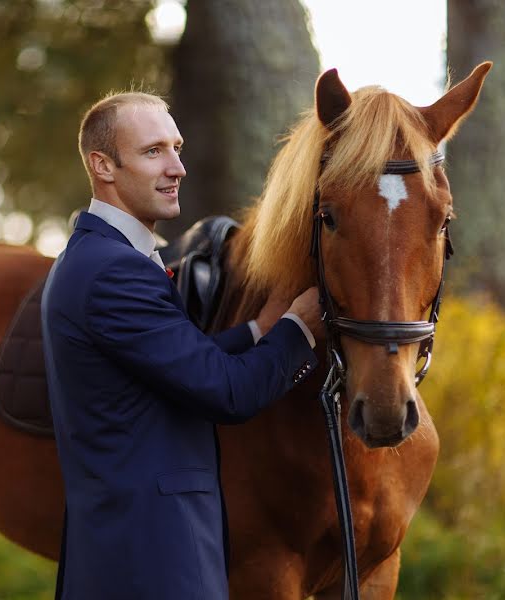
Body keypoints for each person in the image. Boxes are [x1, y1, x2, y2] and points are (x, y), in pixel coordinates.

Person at [41, 91, 322, 600]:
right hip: (153, 562)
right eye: (154, 152)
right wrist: (299, 329)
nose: (178, 167)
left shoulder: (99, 256)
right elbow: (227, 393)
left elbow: (177, 360)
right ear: (102, 165)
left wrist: (258, 331)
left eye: (177, 146)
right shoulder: (114, 271)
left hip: (131, 553)